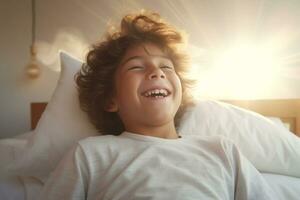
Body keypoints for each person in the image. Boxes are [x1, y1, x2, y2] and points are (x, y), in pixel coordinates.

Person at [40, 12, 277, 199]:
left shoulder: (222, 151)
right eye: (136, 66)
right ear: (110, 99)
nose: (156, 72)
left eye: (166, 67)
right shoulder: (90, 154)